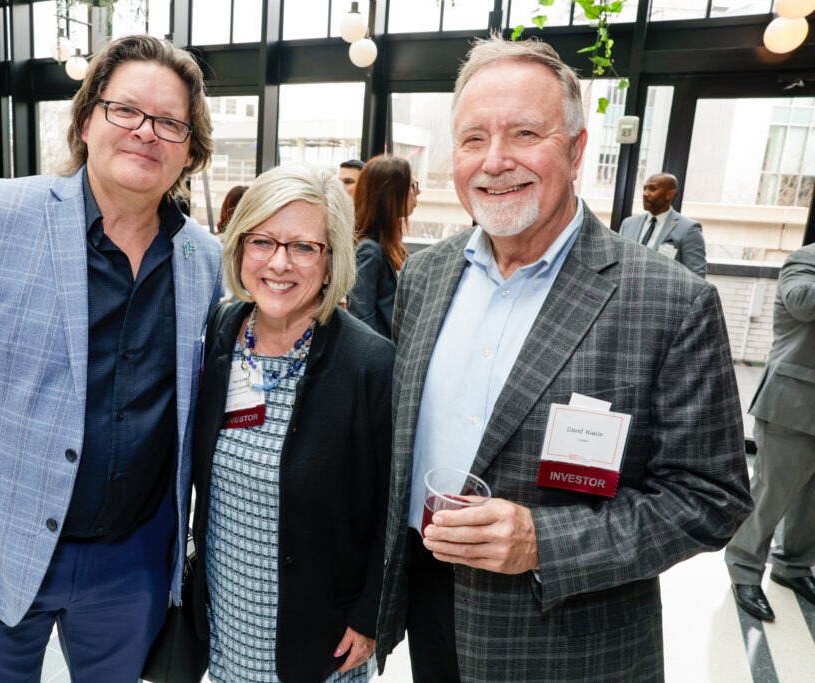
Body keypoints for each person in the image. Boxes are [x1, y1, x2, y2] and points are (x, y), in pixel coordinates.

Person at [375, 36, 752, 682]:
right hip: (428, 607)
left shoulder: (669, 301)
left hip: (567, 641)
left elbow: (711, 496)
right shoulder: (426, 275)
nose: (495, 161)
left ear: (577, 150)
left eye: (525, 133)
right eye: (472, 139)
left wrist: (544, 542)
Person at [0, 34, 222, 681]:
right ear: (88, 120)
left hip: (132, 564)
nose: (146, 132)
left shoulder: (205, 258)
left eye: (169, 122)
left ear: (190, 149)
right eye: (125, 110)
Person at [191, 164, 394, 682]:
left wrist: (372, 614)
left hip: (320, 631)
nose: (279, 263)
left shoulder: (371, 365)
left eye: (304, 247)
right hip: (227, 614)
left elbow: (389, 511)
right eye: (262, 241)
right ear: (239, 248)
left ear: (331, 263)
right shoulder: (219, 332)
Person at [725, 243, 815, 622]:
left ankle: (792, 566)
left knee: (811, 503)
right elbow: (801, 302)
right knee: (770, 495)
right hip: (793, 402)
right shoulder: (805, 259)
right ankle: (744, 570)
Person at [346, 154, 416, 337]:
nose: (417, 193)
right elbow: (362, 321)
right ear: (392, 194)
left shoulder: (392, 246)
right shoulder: (369, 250)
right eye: (412, 186)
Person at [618, 172, 706, 278]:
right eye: (644, 189)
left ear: (669, 194)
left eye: (652, 189)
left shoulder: (689, 228)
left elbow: (697, 275)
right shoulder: (628, 224)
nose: (645, 194)